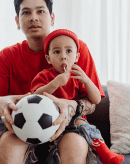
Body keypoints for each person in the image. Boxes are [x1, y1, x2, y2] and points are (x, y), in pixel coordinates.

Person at [0, 0, 105, 164]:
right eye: (26, 13)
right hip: (20, 129)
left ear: (52, 18)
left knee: (76, 146)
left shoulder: (76, 49)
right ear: (17, 21)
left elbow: (93, 103)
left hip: (68, 127)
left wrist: (71, 106)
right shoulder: (6, 56)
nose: (33, 18)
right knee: (9, 148)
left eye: (40, 11)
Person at [31, 29, 124, 164]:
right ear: (48, 58)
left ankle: (104, 151)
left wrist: (86, 80)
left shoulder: (77, 76)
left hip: (73, 118)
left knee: (84, 124)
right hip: (49, 118)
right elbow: (35, 95)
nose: (63, 56)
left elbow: (96, 99)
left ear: (76, 57)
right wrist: (55, 83)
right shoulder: (44, 75)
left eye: (68, 51)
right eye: (57, 52)